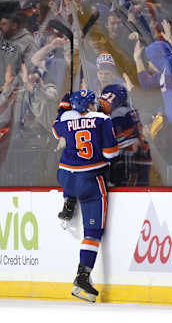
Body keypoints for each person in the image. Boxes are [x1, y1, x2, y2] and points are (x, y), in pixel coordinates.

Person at [52, 89, 119, 302]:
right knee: (92, 232)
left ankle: (68, 203)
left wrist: (64, 104)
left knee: (68, 167)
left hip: (65, 177)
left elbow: (56, 130)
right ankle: (83, 276)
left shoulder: (66, 118)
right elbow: (111, 153)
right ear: (90, 105)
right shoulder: (102, 119)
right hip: (89, 182)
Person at [99, 83, 151, 186]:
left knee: (127, 190)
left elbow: (113, 139)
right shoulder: (127, 109)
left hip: (129, 156)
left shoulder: (118, 113)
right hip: (138, 154)